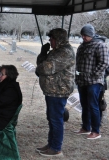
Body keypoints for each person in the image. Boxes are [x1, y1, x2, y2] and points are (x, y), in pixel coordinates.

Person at [35, 28, 75, 156]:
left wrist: (39, 68)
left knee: (56, 119)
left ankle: (56, 148)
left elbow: (46, 68)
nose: (50, 41)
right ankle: (51, 144)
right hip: (52, 91)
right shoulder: (56, 51)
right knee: (52, 119)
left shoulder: (65, 52)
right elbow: (41, 64)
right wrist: (43, 53)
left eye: (52, 39)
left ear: (59, 39)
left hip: (59, 91)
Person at [74, 24, 109, 139]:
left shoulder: (100, 45)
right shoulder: (82, 46)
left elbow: (104, 63)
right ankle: (85, 127)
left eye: (86, 35)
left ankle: (96, 131)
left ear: (91, 35)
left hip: (94, 82)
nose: (83, 37)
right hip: (82, 81)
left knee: (93, 105)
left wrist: (94, 74)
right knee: (84, 105)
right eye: (82, 35)